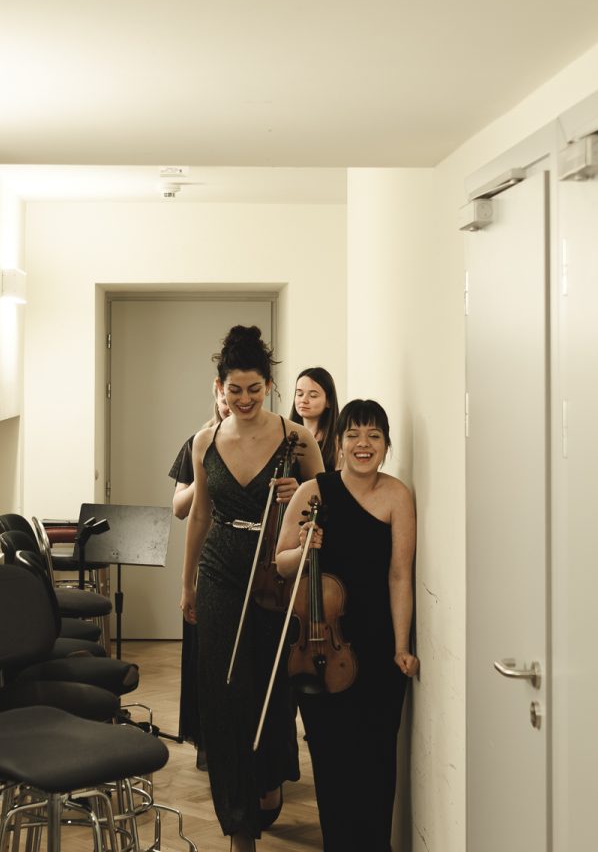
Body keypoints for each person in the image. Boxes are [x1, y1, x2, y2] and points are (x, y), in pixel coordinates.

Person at [181, 325, 324, 851]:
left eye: (254, 389)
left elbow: (325, 500)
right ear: (221, 387)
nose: (244, 400)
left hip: (275, 574)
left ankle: (268, 776)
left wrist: (298, 491)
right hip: (220, 570)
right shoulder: (205, 441)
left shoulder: (296, 438)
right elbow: (200, 515)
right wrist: (188, 584)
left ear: (269, 385)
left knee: (271, 687)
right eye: (234, 389)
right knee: (222, 694)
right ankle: (238, 822)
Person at [275, 398, 418, 852]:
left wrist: (401, 647)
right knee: (333, 763)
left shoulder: (397, 496)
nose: (363, 444)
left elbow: (400, 575)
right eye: (353, 434)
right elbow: (281, 564)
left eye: (374, 435)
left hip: (377, 649)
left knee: (377, 761)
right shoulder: (312, 493)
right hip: (320, 649)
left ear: (387, 445)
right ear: (338, 443)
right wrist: (304, 547)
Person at [169, 380, 230, 769]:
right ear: (217, 392)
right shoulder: (197, 442)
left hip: (241, 561)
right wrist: (205, 471)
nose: (230, 406)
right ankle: (207, 744)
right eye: (225, 398)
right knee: (203, 658)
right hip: (206, 561)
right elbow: (179, 507)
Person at [289, 367, 341, 471]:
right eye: (299, 394)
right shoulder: (286, 436)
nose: (304, 400)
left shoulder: (337, 441)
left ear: (328, 401)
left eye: (313, 396)